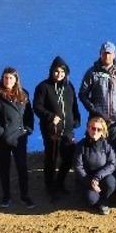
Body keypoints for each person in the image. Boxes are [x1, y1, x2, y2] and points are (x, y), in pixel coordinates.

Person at [0, 66, 34, 209]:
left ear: (16, 80)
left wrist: (28, 130)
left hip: (20, 137)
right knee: (4, 169)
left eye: (11, 78)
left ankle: (25, 196)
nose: (8, 80)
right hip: (3, 139)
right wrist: (1, 133)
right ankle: (6, 197)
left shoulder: (23, 95)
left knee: (22, 167)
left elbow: (29, 115)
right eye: (5, 78)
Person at [34, 56, 80, 200]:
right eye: (56, 71)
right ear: (51, 71)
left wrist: (76, 119)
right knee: (51, 159)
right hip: (51, 130)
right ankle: (50, 187)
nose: (59, 74)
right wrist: (49, 116)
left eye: (62, 72)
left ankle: (60, 182)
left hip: (67, 129)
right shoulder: (43, 87)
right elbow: (37, 107)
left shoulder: (69, 86)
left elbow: (74, 104)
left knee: (68, 158)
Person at [79, 41, 116, 149]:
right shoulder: (92, 72)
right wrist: (93, 109)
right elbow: (83, 94)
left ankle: (114, 167)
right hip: (97, 120)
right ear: (100, 54)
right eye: (104, 53)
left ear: (115, 54)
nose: (107, 56)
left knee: (113, 149)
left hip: (115, 120)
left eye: (109, 53)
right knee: (94, 148)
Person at [74, 116, 116, 215]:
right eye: (93, 128)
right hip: (87, 180)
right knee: (91, 199)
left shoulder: (107, 145)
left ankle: (103, 201)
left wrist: (97, 177)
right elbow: (78, 167)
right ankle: (99, 202)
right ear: (88, 128)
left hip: (102, 177)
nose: (95, 132)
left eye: (99, 129)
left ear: (103, 131)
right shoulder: (81, 146)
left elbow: (112, 163)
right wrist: (90, 182)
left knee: (111, 183)